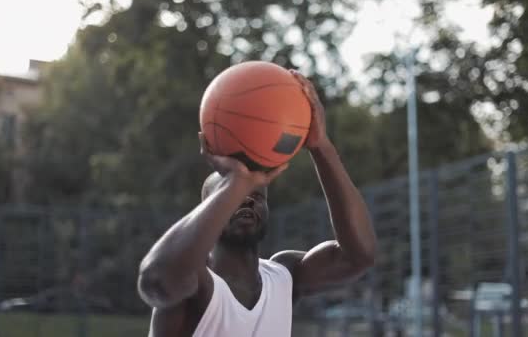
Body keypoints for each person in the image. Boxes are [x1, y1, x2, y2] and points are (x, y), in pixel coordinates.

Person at [137, 70, 377, 337]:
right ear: (209, 211)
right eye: (235, 196)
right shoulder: (197, 283)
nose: (247, 202)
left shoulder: (285, 276)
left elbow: (360, 255)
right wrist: (238, 180)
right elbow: (157, 281)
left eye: (256, 196)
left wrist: (321, 146)